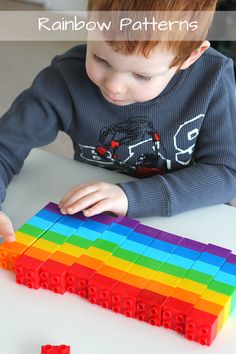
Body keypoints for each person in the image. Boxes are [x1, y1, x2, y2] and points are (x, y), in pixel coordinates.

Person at [0, 0, 236, 243]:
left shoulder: (212, 80)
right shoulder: (65, 78)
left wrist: (131, 197)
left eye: (142, 75)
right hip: (96, 221)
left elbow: (227, 173)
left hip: (192, 220)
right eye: (101, 59)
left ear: (191, 56)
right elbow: (5, 144)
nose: (114, 86)